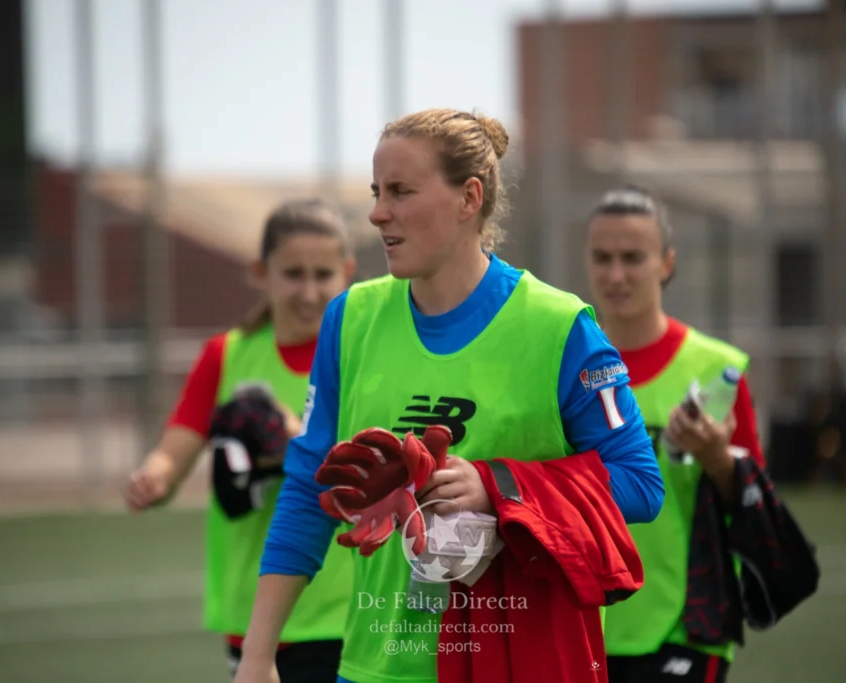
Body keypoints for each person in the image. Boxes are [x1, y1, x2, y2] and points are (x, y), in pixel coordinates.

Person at [233, 108, 665, 683]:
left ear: (469, 198)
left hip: (519, 662)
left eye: (402, 192)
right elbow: (308, 489)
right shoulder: (350, 318)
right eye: (376, 191)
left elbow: (641, 484)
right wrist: (258, 657)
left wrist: (495, 487)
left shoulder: (560, 327)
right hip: (374, 667)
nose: (377, 212)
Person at [124, 199, 357, 682]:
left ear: (347, 273)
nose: (310, 291)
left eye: (323, 274)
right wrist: (156, 476)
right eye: (294, 273)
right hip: (256, 617)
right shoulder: (226, 356)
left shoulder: (359, 353)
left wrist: (296, 439)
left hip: (348, 608)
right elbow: (177, 447)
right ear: (260, 272)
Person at [584, 186, 766, 683]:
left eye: (632, 258)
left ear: (666, 263)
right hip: (584, 619)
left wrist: (717, 458)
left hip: (684, 621)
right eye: (603, 258)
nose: (616, 275)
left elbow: (754, 506)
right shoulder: (566, 366)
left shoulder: (717, 370)